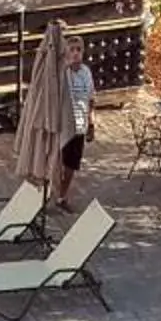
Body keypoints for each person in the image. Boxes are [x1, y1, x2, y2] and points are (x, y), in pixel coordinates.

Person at [53, 32, 95, 209]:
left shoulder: (86, 72)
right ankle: (51, 192)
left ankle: (62, 196)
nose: (76, 53)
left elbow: (91, 98)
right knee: (58, 163)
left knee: (71, 165)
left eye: (79, 50)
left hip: (80, 125)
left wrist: (92, 122)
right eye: (72, 50)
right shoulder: (64, 73)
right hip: (64, 125)